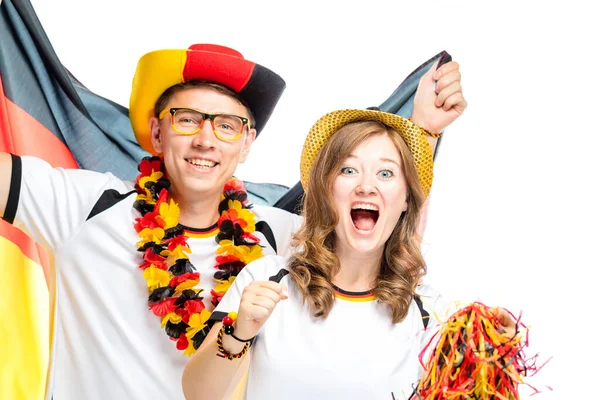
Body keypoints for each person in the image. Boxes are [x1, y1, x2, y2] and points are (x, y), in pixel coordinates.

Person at [0, 43, 465, 399]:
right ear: (158, 131)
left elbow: (375, 238)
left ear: (246, 144)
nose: (206, 140)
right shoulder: (84, 206)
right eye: (187, 119)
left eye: (226, 126)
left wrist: (423, 131)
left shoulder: (277, 237)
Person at [181, 107, 516, 399]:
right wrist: (240, 331)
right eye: (348, 170)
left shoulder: (429, 312)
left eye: (385, 173)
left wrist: (493, 353)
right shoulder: (266, 278)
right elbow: (199, 395)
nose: (366, 186)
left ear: (406, 202)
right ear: (326, 191)